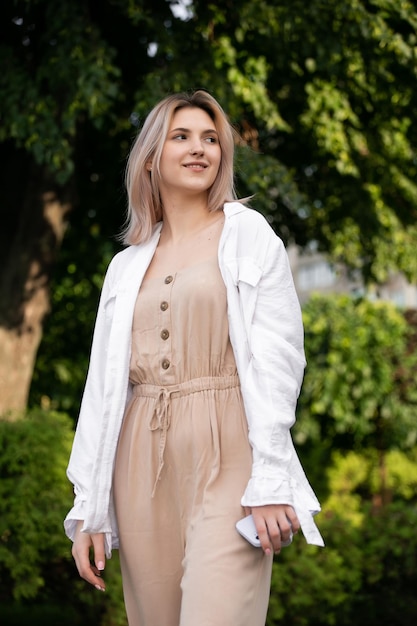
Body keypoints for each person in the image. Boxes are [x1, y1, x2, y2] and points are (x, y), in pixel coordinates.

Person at [64, 89, 324, 626]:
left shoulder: (247, 234)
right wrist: (88, 508)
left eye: (210, 139)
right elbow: (102, 390)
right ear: (153, 156)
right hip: (138, 457)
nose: (199, 148)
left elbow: (280, 358)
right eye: (181, 137)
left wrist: (270, 479)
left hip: (228, 446)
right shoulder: (124, 266)